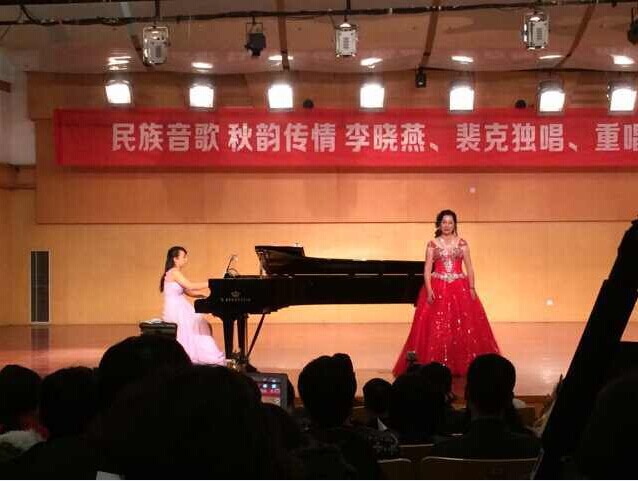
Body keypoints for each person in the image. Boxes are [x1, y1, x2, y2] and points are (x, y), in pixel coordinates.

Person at [393, 210, 499, 376]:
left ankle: (463, 362)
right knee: (436, 327)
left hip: (460, 287)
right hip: (438, 286)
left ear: (454, 224)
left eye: (450, 222)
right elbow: (427, 269)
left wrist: (472, 287)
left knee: (463, 326)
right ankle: (434, 364)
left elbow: (469, 267)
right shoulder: (432, 244)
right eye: (444, 222)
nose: (447, 225)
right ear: (439, 224)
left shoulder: (462, 243)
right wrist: (429, 290)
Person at [160, 246, 225, 365]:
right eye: (184, 257)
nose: (186, 260)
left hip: (179, 306)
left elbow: (187, 291)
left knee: (199, 324)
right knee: (198, 324)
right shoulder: (174, 272)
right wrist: (211, 283)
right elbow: (190, 285)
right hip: (175, 309)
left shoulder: (175, 273)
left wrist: (202, 295)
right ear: (175, 259)